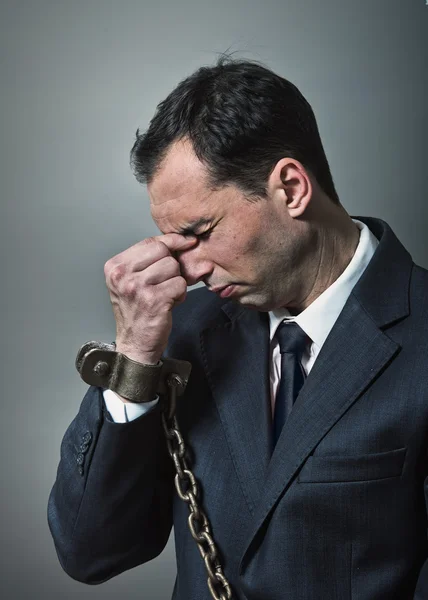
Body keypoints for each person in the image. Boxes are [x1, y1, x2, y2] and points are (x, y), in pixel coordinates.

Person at [47, 56, 428, 599]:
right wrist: (133, 356)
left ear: (292, 188)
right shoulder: (184, 334)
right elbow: (90, 551)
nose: (191, 270)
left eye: (200, 232)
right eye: (174, 242)